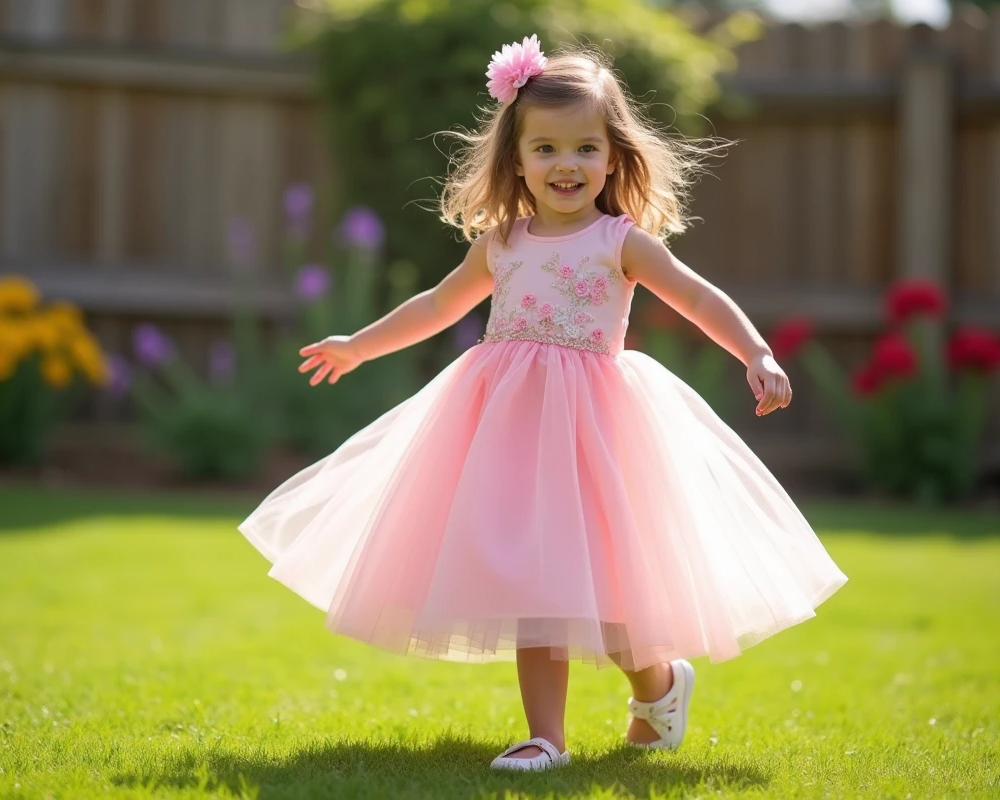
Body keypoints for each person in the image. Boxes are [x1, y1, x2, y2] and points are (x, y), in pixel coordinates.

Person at [239, 34, 848, 772]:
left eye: (586, 148)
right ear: (517, 159)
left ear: (613, 158)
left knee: (617, 601)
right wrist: (360, 344)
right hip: (506, 428)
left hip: (597, 432)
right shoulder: (503, 241)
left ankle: (657, 687)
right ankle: (545, 737)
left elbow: (695, 296)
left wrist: (754, 350)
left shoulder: (620, 241)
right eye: (548, 148)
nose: (567, 165)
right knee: (533, 579)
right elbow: (437, 304)